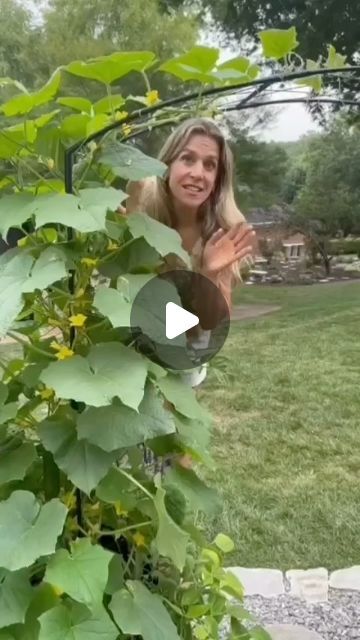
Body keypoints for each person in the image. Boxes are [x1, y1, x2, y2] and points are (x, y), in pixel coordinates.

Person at [121, 116, 256, 387]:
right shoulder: (143, 209)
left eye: (210, 165)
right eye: (187, 159)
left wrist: (209, 273)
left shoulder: (221, 232)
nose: (198, 173)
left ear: (217, 179)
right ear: (167, 165)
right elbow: (119, 291)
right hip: (124, 353)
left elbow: (206, 328)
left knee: (172, 423)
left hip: (182, 359)